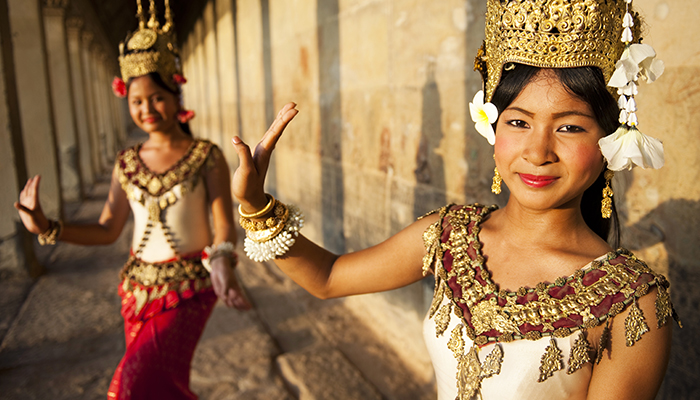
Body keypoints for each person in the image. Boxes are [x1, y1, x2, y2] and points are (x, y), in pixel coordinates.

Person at [229, 0, 679, 399]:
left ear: (611, 140)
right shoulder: (449, 235)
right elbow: (328, 278)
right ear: (493, 128)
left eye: (570, 127)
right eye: (519, 122)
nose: (538, 152)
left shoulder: (630, 303)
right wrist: (256, 206)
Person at [14, 2, 250, 399]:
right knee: (163, 388)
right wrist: (48, 227)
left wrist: (222, 261)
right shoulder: (126, 162)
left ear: (176, 93)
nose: (147, 109)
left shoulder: (207, 155)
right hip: (135, 291)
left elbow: (223, 221)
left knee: (132, 386)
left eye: (157, 97)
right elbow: (108, 229)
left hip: (189, 288)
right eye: (137, 101)